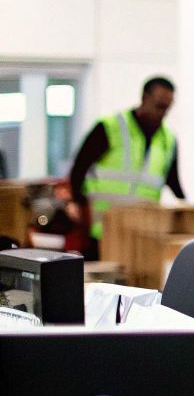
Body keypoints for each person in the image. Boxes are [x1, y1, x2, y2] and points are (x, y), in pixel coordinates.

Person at [66, 76, 185, 259]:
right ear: (145, 98)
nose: (162, 113)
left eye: (167, 108)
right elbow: (79, 167)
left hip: (142, 233)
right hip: (104, 229)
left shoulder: (168, 140)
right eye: (159, 106)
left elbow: (173, 181)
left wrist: (187, 208)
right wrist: (75, 202)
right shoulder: (111, 127)